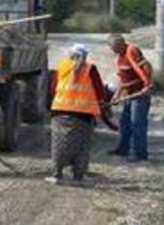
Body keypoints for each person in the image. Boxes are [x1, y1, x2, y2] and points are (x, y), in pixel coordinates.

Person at [45, 44, 107, 185]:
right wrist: (102, 103)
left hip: (60, 111)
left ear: (70, 55)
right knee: (82, 146)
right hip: (83, 114)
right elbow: (99, 91)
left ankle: (57, 176)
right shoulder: (91, 69)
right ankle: (78, 178)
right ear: (85, 56)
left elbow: (53, 89)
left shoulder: (62, 67)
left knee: (58, 145)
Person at [107, 33, 153, 161]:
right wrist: (116, 96)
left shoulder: (131, 51)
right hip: (129, 95)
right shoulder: (119, 58)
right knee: (125, 123)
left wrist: (147, 85)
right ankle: (123, 149)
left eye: (116, 47)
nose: (114, 50)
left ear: (121, 44)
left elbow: (147, 66)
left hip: (140, 95)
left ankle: (141, 154)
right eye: (113, 48)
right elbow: (123, 80)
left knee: (137, 124)